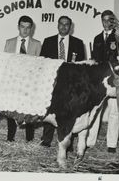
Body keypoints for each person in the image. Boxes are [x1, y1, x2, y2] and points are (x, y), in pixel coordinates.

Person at [92, 10, 119, 153]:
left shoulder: (118, 35)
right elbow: (94, 59)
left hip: (115, 77)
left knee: (115, 111)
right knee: (95, 110)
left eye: (109, 20)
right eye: (103, 20)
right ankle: (90, 141)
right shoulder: (97, 38)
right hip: (99, 79)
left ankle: (111, 144)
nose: (106, 22)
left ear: (113, 21)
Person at [40, 15, 86, 147]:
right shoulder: (48, 41)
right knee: (49, 109)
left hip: (70, 84)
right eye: (61, 24)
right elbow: (43, 62)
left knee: (70, 112)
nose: (64, 26)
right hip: (52, 82)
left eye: (67, 24)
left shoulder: (78, 43)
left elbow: (81, 66)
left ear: (70, 27)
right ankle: (46, 139)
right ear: (57, 25)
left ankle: (68, 141)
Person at [4, 15, 41, 142]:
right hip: (13, 82)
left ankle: (29, 139)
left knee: (29, 110)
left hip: (28, 84)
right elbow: (6, 63)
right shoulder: (9, 43)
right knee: (11, 110)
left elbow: (38, 66)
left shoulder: (37, 44)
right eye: (22, 27)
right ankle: (10, 137)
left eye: (28, 28)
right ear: (18, 27)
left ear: (31, 29)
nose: (25, 30)